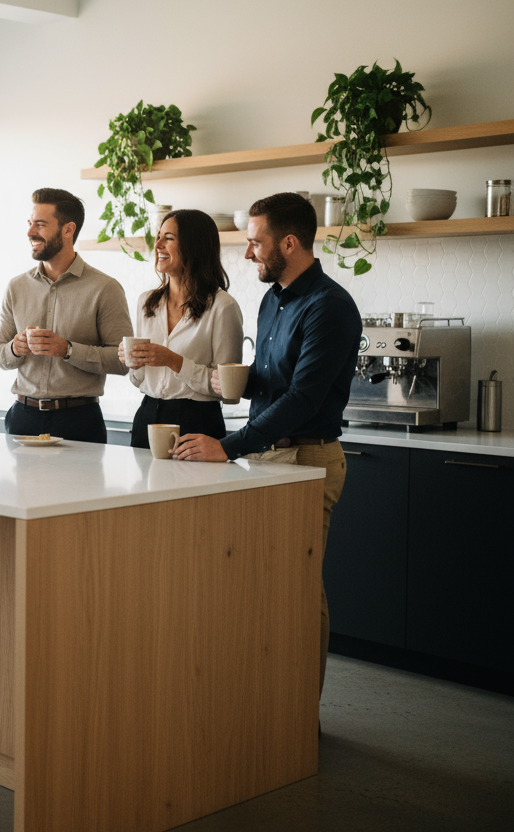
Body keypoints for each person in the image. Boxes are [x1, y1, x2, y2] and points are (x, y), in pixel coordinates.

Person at [172, 191, 362, 698]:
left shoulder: (330, 307)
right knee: (260, 585)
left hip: (305, 456)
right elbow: (273, 380)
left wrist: (226, 446)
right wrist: (232, 382)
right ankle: (266, 705)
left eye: (256, 243)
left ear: (290, 242)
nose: (248, 253)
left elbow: (303, 397)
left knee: (297, 589)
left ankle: (300, 714)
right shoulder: (274, 300)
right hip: (269, 454)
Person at [0, 187, 134, 443]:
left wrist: (67, 350)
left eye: (40, 224)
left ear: (68, 230)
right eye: (29, 223)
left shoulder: (105, 288)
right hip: (22, 418)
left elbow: (123, 361)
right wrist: (15, 348)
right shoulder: (16, 287)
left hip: (79, 422)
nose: (30, 232)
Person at [118, 209, 244, 447]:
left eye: (168, 238)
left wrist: (173, 360)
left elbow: (227, 390)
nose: (157, 245)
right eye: (158, 237)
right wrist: (133, 362)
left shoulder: (222, 307)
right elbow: (138, 380)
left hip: (197, 423)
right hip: (147, 415)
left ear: (193, 246)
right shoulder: (147, 302)